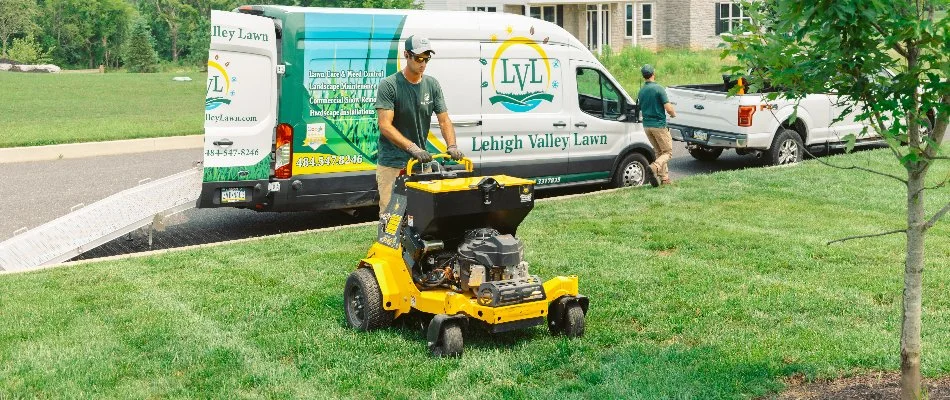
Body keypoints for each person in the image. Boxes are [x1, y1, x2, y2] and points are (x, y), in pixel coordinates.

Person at [374, 35, 464, 214]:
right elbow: (385, 125)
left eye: (426, 59)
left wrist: (452, 145)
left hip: (421, 164)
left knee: (423, 213)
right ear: (406, 55)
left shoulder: (432, 84)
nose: (423, 63)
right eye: (418, 58)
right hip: (393, 164)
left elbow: (444, 120)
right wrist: (412, 148)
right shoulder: (390, 85)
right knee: (392, 214)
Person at [637, 64, 676, 186]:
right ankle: (654, 167)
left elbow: (639, 107)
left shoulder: (641, 91)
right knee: (668, 152)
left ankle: (664, 179)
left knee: (659, 152)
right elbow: (668, 108)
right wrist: (673, 114)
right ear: (653, 73)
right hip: (658, 125)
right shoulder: (659, 89)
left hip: (647, 126)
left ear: (643, 76)